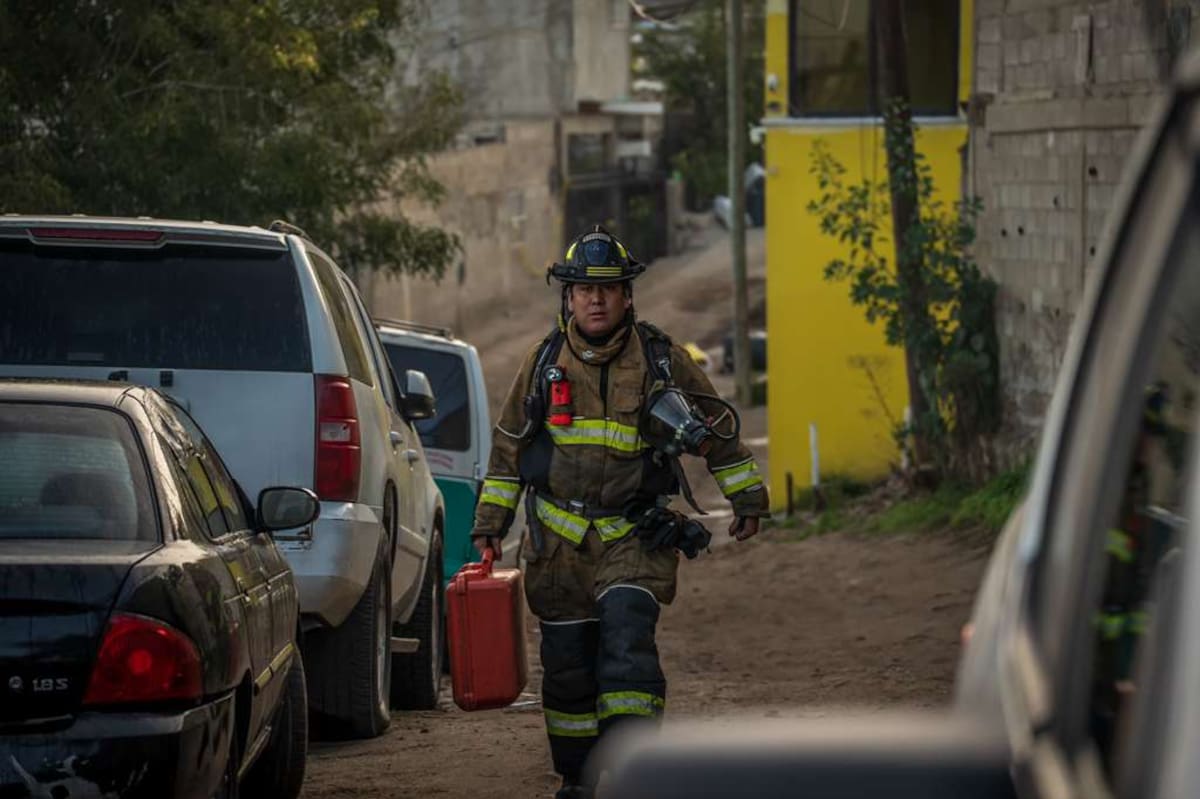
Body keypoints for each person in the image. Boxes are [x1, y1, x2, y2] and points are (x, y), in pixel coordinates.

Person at [470, 225, 769, 798]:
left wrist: (747, 498)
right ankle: (578, 781)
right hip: (558, 550)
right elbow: (507, 452)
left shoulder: (662, 360)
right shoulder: (540, 364)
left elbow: (720, 436)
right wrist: (490, 528)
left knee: (629, 651)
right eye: (585, 289)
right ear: (569, 298)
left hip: (635, 538)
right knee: (568, 674)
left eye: (608, 289)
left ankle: (634, 774)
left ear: (628, 296)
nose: (597, 300)